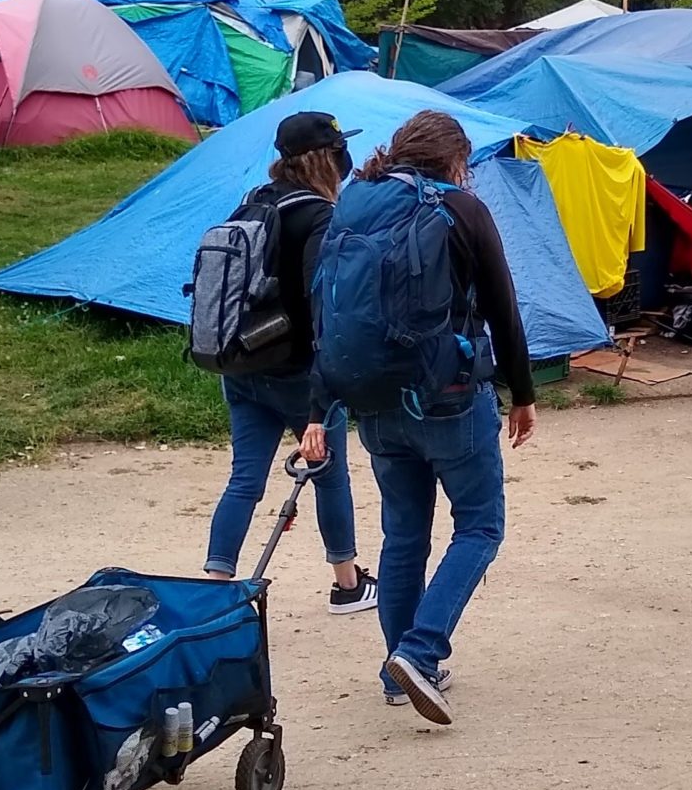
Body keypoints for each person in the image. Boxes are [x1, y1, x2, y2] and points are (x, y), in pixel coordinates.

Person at [314, 110, 537, 724]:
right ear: (454, 160)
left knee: (404, 535)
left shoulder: (356, 200)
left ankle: (400, 670)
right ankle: (420, 649)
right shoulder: (462, 210)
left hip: (375, 398)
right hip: (449, 397)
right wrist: (522, 391)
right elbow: (502, 308)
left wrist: (321, 400)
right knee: (480, 526)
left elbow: (327, 310)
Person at [202, 111, 376, 616]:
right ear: (326, 158)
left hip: (243, 363)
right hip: (298, 374)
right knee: (329, 475)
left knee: (244, 480)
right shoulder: (318, 214)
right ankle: (347, 584)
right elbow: (322, 301)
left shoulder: (254, 200)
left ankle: (215, 588)